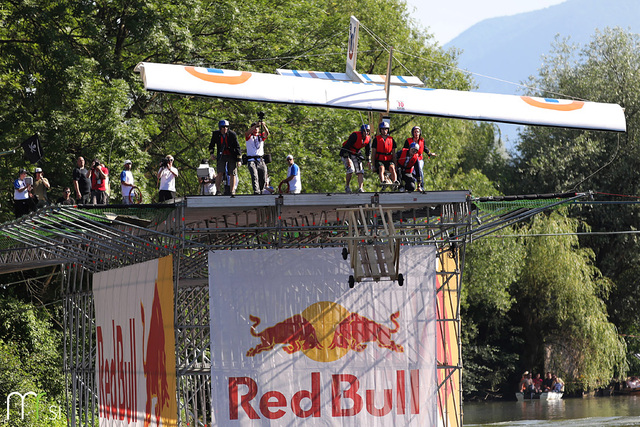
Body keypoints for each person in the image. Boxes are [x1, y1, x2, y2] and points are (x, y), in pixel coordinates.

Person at [210, 119, 241, 195]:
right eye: (223, 127)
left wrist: (239, 159)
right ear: (220, 128)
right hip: (221, 155)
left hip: (231, 155)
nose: (225, 129)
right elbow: (212, 144)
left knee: (232, 173)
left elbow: (237, 147)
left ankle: (232, 190)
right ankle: (218, 190)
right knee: (220, 172)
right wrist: (212, 153)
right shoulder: (216, 134)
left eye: (227, 127)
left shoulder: (232, 134)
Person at [403, 126, 436, 191]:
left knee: (419, 170)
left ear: (420, 133)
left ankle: (421, 187)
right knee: (410, 172)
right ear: (412, 133)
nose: (416, 133)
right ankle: (409, 185)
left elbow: (425, 148)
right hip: (411, 158)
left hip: (419, 158)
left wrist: (429, 153)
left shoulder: (422, 140)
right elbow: (405, 150)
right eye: (415, 132)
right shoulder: (408, 141)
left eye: (417, 132)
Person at [340, 124, 371, 193]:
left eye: (368, 131)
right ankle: (347, 186)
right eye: (365, 131)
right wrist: (347, 158)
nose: (366, 133)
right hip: (347, 152)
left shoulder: (368, 139)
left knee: (360, 171)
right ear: (362, 131)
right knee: (351, 169)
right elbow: (346, 147)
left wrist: (368, 160)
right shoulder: (355, 136)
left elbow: (368, 150)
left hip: (356, 154)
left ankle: (361, 188)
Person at [244, 120, 270, 194]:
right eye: (254, 127)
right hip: (252, 159)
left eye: (257, 127)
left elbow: (267, 134)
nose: (256, 129)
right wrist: (255, 125)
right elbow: (247, 133)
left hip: (260, 159)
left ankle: (261, 190)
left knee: (263, 175)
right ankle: (256, 191)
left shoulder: (260, 136)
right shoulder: (249, 137)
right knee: (255, 176)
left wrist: (264, 125)